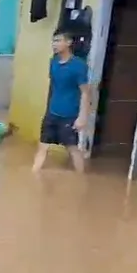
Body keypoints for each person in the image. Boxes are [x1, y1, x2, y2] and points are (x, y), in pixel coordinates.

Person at [32, 29, 91, 173]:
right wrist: (47, 109)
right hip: (52, 112)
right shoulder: (53, 62)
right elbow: (53, 86)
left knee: (72, 149)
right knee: (42, 146)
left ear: (69, 42)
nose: (54, 44)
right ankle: (33, 174)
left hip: (69, 114)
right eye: (53, 41)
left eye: (58, 41)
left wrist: (82, 117)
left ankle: (81, 178)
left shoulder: (79, 66)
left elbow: (85, 92)